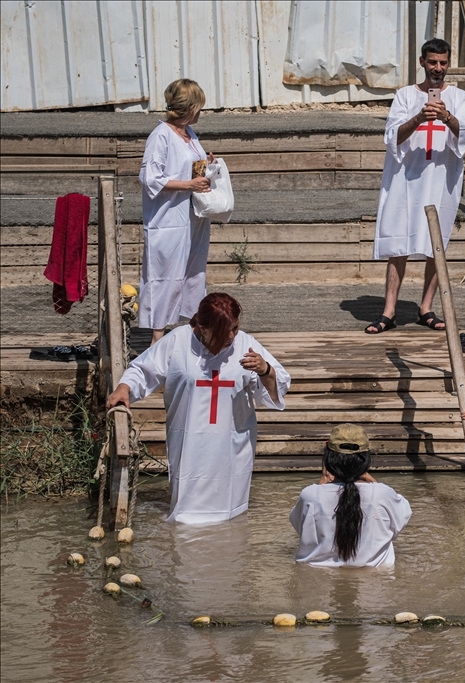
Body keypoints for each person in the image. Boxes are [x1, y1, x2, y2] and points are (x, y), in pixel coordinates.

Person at [106, 293, 290, 524]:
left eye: (235, 328)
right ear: (203, 328)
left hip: (232, 444)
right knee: (186, 515)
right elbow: (144, 370)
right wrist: (124, 387)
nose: (232, 336)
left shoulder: (245, 344)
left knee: (230, 519)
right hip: (189, 441)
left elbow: (277, 386)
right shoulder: (179, 340)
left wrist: (265, 370)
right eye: (225, 332)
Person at [366, 38, 465, 334]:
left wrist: (446, 116)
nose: (438, 68)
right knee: (398, 242)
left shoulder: (461, 98)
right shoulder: (404, 96)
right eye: (432, 62)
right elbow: (392, 137)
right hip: (406, 179)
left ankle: (426, 307)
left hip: (441, 179)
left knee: (435, 244)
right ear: (422, 62)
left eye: (443, 63)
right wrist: (419, 117)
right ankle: (389, 311)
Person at [138, 78, 217, 347]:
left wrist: (207, 166)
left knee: (193, 273)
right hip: (168, 219)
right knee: (166, 275)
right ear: (190, 107)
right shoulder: (161, 136)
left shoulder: (190, 134)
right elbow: (150, 178)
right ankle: (156, 341)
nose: (201, 113)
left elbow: (190, 167)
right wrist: (189, 184)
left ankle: (194, 332)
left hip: (192, 218)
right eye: (199, 107)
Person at [290, 424, 411, 567]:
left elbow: (302, 530)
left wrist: (322, 482)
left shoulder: (309, 495)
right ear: (366, 458)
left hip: (317, 580)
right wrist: (368, 477)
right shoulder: (383, 494)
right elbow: (398, 523)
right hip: (374, 581)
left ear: (329, 458)